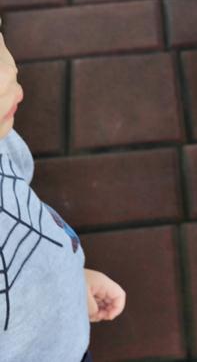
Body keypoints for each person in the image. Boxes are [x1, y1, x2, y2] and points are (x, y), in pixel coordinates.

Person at [0, 29, 126, 362]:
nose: (6, 72)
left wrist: (68, 278)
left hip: (67, 337)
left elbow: (24, 215)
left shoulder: (3, 140)